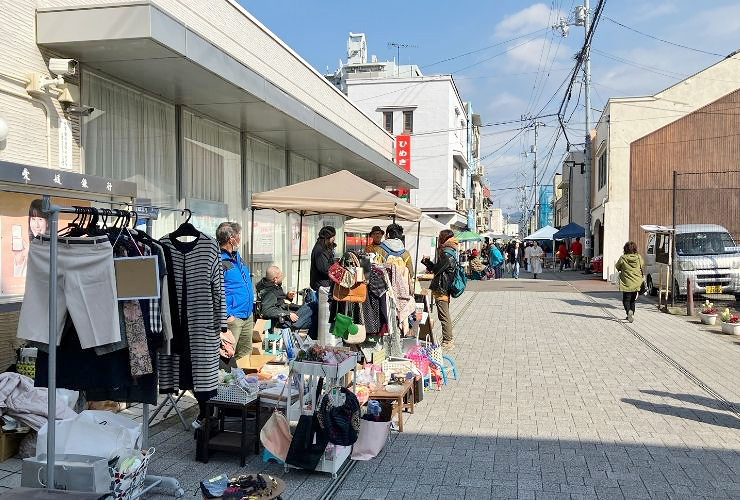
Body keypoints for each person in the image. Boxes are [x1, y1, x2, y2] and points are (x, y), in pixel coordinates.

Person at [216, 222, 254, 361]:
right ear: (231, 239)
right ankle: (225, 382)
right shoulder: (219, 260)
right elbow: (215, 291)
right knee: (227, 356)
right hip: (232, 318)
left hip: (247, 315)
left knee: (245, 357)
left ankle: (244, 382)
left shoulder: (238, 258)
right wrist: (227, 315)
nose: (239, 238)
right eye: (238, 235)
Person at [421, 229, 458, 350]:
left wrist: (428, 263)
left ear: (443, 238)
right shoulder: (450, 251)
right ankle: (447, 339)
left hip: (442, 287)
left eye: (440, 237)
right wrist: (427, 263)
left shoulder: (446, 253)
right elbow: (437, 268)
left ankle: (448, 341)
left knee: (444, 315)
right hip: (445, 286)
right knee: (443, 314)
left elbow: (436, 269)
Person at [256, 266, 315, 335]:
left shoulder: (273, 286)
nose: (283, 277)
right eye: (281, 275)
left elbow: (278, 302)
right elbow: (267, 310)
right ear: (275, 279)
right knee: (313, 307)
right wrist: (287, 314)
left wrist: (287, 297)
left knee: (315, 314)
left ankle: (313, 341)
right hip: (284, 321)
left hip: (288, 314)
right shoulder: (269, 292)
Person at [311, 226, 337, 345]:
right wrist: (336, 269)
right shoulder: (320, 250)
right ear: (328, 238)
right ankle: (317, 339)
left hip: (323, 284)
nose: (334, 240)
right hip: (322, 285)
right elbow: (323, 269)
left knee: (320, 315)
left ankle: (316, 337)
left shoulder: (324, 248)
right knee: (321, 316)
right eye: (333, 237)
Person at [615, 241, 644, 323]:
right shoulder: (638, 257)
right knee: (632, 300)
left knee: (626, 300)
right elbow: (642, 265)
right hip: (637, 282)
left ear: (625, 249)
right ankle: (632, 313)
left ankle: (628, 312)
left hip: (627, 282)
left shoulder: (623, 258)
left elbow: (617, 267)